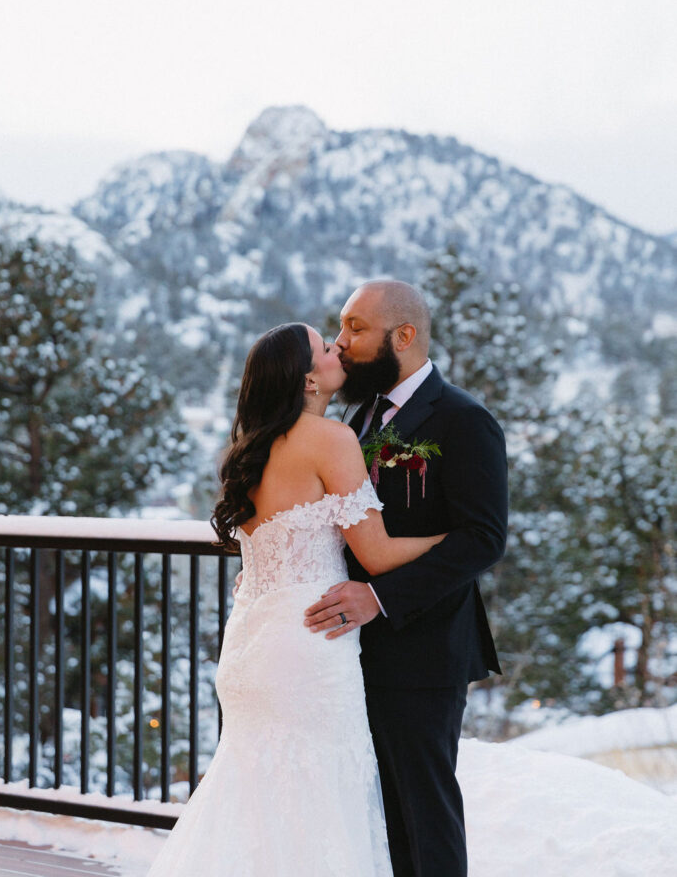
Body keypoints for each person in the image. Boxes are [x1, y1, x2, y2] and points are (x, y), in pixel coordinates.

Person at [145, 322, 447, 877]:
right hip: (311, 644)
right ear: (309, 379)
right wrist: (450, 536)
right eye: (326, 347)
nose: (339, 349)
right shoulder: (331, 439)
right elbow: (376, 554)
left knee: (254, 800)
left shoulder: (251, 447)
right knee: (319, 803)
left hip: (251, 646)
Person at [304, 280, 508, 877]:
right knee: (377, 812)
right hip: (348, 650)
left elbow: (483, 538)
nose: (340, 343)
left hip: (424, 648)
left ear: (405, 336)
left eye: (355, 329)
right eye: (339, 329)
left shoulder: (464, 421)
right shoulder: (358, 414)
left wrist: (379, 598)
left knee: (425, 812)